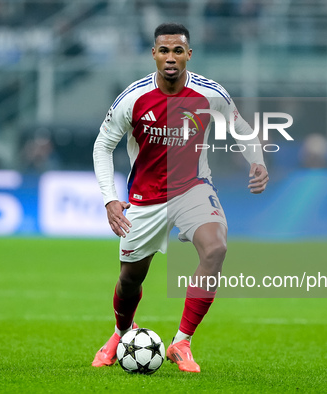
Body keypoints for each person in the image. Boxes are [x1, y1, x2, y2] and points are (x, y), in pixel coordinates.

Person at [92, 22, 268, 373]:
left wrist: (258, 161)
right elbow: (103, 145)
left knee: (216, 248)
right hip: (145, 198)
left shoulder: (210, 93)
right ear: (153, 54)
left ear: (189, 54)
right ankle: (120, 333)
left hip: (193, 187)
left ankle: (182, 341)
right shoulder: (133, 98)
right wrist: (110, 199)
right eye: (163, 50)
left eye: (177, 50)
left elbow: (241, 127)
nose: (170, 57)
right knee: (130, 280)